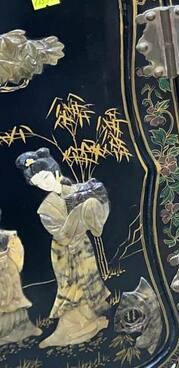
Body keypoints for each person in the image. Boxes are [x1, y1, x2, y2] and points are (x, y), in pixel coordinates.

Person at [16, 149, 110, 348]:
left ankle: (92, 321)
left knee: (88, 281)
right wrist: (79, 211)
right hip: (63, 252)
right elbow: (61, 235)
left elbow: (98, 212)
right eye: (38, 183)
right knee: (72, 288)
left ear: (55, 172)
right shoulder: (45, 209)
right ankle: (67, 332)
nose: (44, 184)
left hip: (83, 245)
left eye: (45, 177)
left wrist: (91, 204)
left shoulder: (80, 190)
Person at [0, 212, 40, 346]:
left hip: (8, 270)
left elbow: (15, 247)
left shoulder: (5, 234)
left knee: (13, 301)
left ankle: (21, 328)